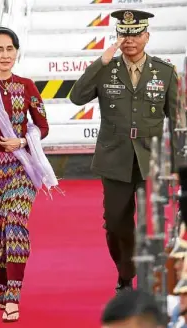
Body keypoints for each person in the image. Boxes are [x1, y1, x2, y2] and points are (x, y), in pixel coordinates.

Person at [70, 9, 180, 294]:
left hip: (150, 159)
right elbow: (77, 97)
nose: (129, 39)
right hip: (114, 158)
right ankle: (125, 271)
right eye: (124, 34)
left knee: (149, 223)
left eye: (135, 34)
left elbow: (179, 120)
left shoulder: (164, 72)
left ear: (146, 36)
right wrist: (101, 61)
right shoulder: (106, 68)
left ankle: (146, 275)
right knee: (116, 223)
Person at [0, 27, 56, 323]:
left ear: (16, 51)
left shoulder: (27, 86)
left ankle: (13, 295)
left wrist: (22, 140)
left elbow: (42, 126)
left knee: (15, 224)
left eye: (10, 49)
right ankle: (2, 283)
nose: (5, 55)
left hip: (21, 166)